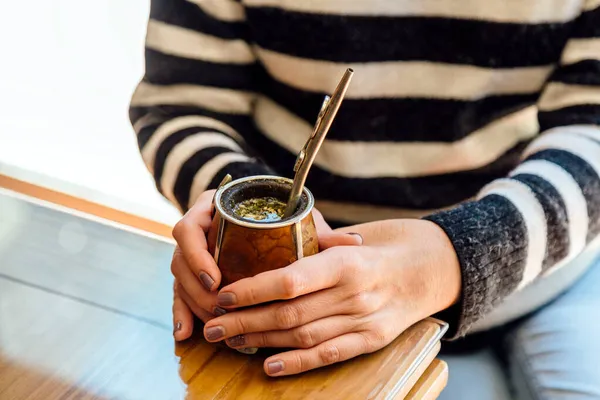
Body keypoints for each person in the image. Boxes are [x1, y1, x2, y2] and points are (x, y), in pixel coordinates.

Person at [129, 0, 600, 397]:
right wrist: (245, 224)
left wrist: (450, 260)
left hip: (538, 269)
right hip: (286, 292)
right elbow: (181, 106)